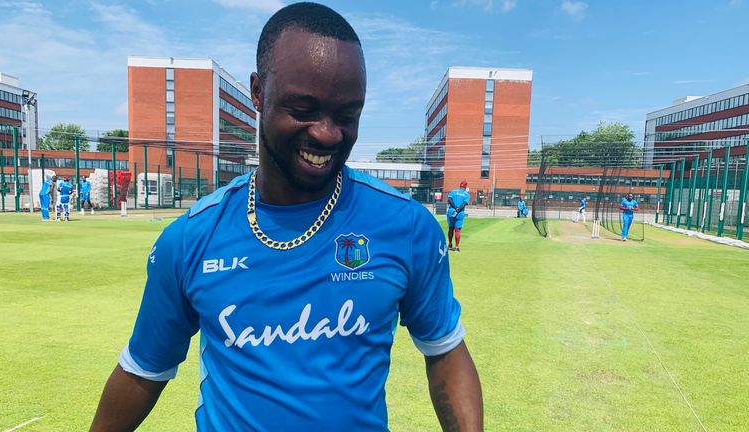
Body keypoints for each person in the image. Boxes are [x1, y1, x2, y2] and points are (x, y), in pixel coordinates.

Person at [90, 4, 483, 432]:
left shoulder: (405, 225)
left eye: (347, 115)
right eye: (303, 109)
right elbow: (144, 369)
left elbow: (444, 350)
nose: (327, 133)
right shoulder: (190, 239)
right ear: (258, 92)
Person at [446, 180, 471, 252]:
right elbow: (464, 204)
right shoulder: (467, 194)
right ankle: (456, 247)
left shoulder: (453, 191)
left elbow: (449, 200)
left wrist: (454, 207)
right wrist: (458, 210)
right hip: (460, 213)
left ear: (460, 185)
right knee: (457, 230)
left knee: (450, 228)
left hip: (451, 212)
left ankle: (450, 244)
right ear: (465, 187)